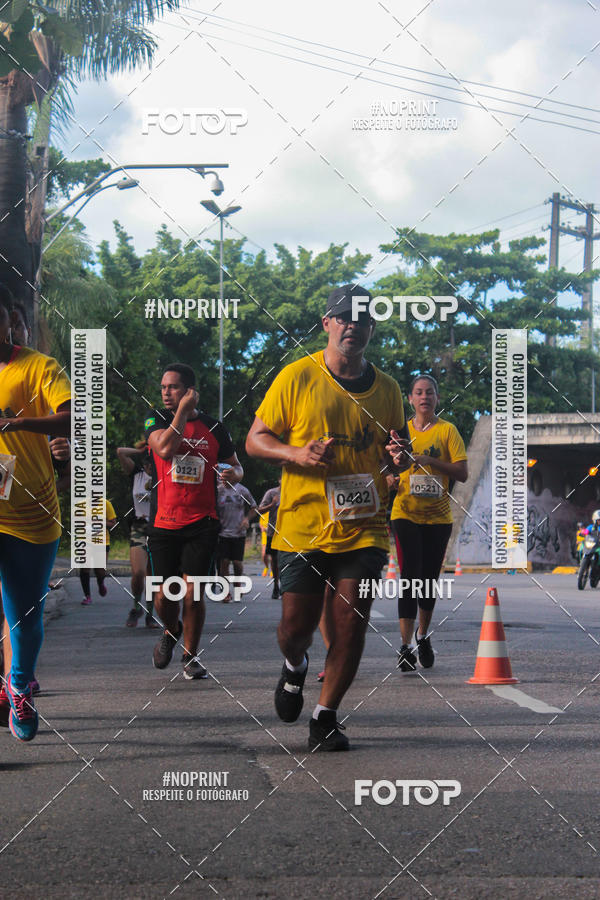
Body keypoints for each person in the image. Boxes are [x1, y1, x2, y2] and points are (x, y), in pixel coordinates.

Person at [246, 284, 408, 751]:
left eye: (362, 319)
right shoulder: (298, 376)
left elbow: (392, 455)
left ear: (372, 328)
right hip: (302, 524)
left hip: (364, 526)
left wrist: (398, 459)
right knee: (296, 627)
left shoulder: (389, 390)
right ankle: (295, 665)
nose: (352, 325)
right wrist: (296, 452)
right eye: (343, 317)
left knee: (351, 623)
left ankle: (326, 715)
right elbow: (256, 440)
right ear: (328, 324)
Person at [0, 283, 71, 741]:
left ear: (10, 321)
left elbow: (74, 415)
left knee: (24, 615)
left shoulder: (38, 367)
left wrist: (18, 422)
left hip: (32, 513)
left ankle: (20, 684)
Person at [145, 363, 243, 679]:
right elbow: (164, 449)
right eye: (163, 387)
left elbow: (237, 466)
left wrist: (234, 474)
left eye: (173, 387)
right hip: (163, 522)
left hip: (203, 521)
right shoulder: (156, 420)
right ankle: (171, 630)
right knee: (164, 595)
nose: (166, 392)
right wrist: (182, 414)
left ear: (189, 390)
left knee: (193, 592)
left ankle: (190, 655)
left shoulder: (215, 429)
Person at [387, 375, 468, 672]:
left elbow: (462, 473)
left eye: (429, 392)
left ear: (436, 398)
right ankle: (405, 646)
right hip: (405, 513)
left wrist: (430, 461)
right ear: (410, 399)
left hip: (438, 517)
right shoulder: (399, 432)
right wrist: (389, 477)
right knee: (409, 576)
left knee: (428, 581)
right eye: (419, 393)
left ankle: (423, 636)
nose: (424, 397)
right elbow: (383, 466)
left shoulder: (448, 431)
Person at [117, 443, 159, 628]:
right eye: (147, 464)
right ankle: (136, 607)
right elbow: (120, 452)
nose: (150, 467)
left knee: (153, 576)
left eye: (153, 464)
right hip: (139, 528)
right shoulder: (137, 475)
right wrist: (141, 450)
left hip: (158, 528)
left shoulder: (164, 477)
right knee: (139, 573)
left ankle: (150, 613)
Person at [216, 474, 258, 602]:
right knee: (224, 562)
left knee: (237, 563)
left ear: (233, 477)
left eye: (226, 477)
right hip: (222, 532)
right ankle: (225, 591)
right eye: (221, 477)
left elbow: (254, 507)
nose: (223, 480)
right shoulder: (218, 491)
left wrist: (247, 519)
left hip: (238, 532)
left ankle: (238, 584)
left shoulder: (242, 490)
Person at [78, 498, 117, 604]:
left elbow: (113, 523)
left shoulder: (106, 504)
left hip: (102, 541)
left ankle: (100, 583)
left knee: (100, 570)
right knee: (85, 568)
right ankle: (87, 596)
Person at [257, 481, 281, 598]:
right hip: (273, 532)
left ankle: (286, 586)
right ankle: (276, 586)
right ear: (279, 479)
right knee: (275, 559)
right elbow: (259, 510)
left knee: (289, 561)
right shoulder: (272, 493)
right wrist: (272, 505)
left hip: (291, 533)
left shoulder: (294, 492)